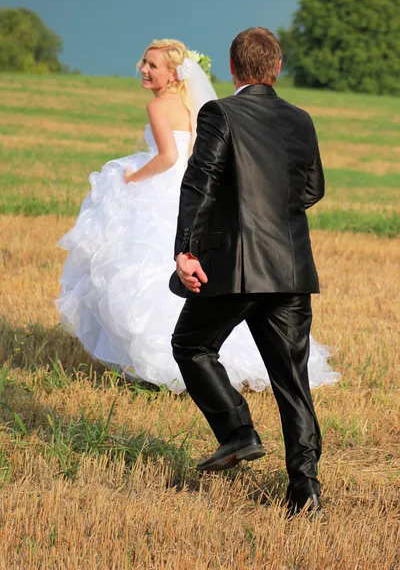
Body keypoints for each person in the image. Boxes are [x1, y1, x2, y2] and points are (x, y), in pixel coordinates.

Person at [56, 38, 339, 402]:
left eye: (151, 65)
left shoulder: (190, 109)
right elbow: (312, 189)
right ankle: (300, 456)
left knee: (181, 320)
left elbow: (180, 166)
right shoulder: (282, 116)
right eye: (144, 62)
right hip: (280, 255)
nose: (144, 69)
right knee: (282, 359)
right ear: (278, 65)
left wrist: (133, 181)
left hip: (194, 210)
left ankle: (227, 422)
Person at [171, 28, 328, 516]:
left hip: (234, 268)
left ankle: (238, 433)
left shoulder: (220, 112)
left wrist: (185, 250)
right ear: (276, 69)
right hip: (290, 268)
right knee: (292, 382)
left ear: (234, 68)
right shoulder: (301, 119)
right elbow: (313, 188)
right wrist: (275, 215)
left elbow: (201, 182)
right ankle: (305, 492)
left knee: (192, 346)